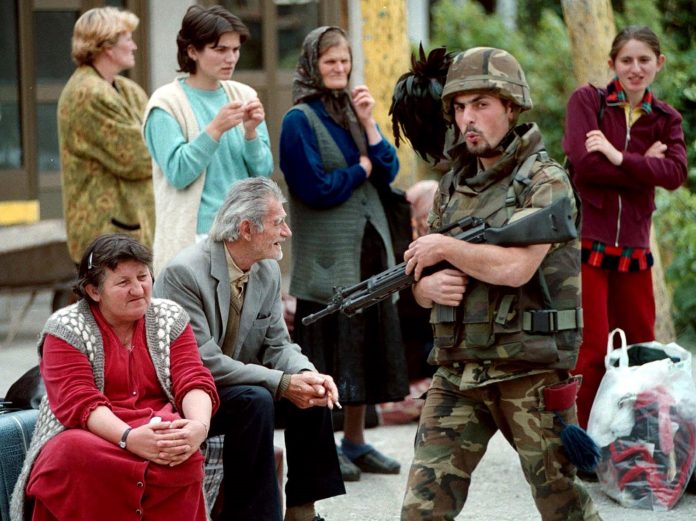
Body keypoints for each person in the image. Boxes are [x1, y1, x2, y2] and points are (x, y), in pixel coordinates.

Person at [399, 47, 601, 520]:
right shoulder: (451, 186)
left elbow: (516, 268)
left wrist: (447, 248)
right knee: (422, 510)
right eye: (459, 107)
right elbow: (423, 279)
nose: (468, 118)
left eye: (481, 104)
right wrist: (425, 291)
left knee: (563, 505)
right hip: (459, 372)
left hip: (528, 371)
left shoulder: (544, 181)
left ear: (511, 108)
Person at [153, 177, 344, 521]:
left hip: (238, 386)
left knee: (311, 392)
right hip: (190, 393)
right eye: (278, 222)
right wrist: (282, 383)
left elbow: (277, 344)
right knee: (256, 400)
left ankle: (302, 512)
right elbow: (204, 361)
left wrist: (305, 374)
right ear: (245, 229)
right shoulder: (183, 273)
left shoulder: (267, 270)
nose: (287, 231)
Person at [10, 235, 218, 521]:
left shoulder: (170, 317)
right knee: (73, 454)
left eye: (143, 277)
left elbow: (193, 378)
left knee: (180, 452)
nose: (138, 290)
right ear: (94, 291)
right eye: (123, 283)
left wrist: (197, 427)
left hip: (155, 425)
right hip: (89, 432)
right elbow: (80, 403)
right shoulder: (66, 328)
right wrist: (128, 438)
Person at [279, 25, 408, 482]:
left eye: (344, 61)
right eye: (330, 61)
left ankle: (355, 441)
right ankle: (324, 447)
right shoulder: (299, 120)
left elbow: (389, 170)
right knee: (329, 353)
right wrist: (359, 170)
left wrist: (369, 124)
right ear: (313, 65)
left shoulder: (352, 110)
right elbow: (312, 187)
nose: (339, 68)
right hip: (328, 261)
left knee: (366, 347)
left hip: (368, 253)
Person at [563, 26, 687, 430]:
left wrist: (617, 156)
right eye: (627, 60)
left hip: (635, 246)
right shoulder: (588, 102)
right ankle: (581, 441)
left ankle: (636, 439)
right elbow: (585, 166)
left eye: (644, 60)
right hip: (589, 241)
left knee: (641, 347)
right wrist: (643, 164)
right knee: (591, 347)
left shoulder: (666, 118)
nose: (636, 68)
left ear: (659, 63)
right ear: (612, 63)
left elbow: (675, 174)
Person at [144, 5, 273, 275]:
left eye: (235, 49)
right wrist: (215, 129)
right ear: (192, 51)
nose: (231, 58)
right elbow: (178, 173)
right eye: (220, 49)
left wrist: (251, 133)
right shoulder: (166, 104)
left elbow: (263, 174)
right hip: (196, 237)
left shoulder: (245, 94)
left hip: (246, 233)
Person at [58, 7, 154, 264]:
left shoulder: (126, 89)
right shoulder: (88, 93)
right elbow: (140, 158)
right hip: (105, 235)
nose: (134, 46)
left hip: (128, 229)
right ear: (107, 46)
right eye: (128, 39)